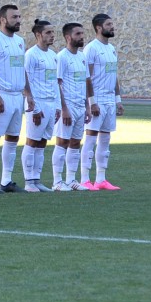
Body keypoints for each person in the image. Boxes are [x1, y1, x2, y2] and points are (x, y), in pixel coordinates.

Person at [0, 4, 30, 193]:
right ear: (3, 20)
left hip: (17, 97)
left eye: (19, 16)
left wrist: (28, 93)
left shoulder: (20, 41)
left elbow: (21, 69)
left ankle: (6, 180)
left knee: (12, 139)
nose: (18, 20)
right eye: (14, 17)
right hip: (1, 96)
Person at [82, 13, 123, 191]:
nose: (112, 27)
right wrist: (91, 102)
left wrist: (118, 99)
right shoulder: (91, 48)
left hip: (109, 100)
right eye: (109, 24)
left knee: (105, 140)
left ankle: (101, 179)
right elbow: (86, 77)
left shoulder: (112, 49)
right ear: (99, 28)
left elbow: (114, 76)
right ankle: (85, 179)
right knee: (91, 139)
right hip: (97, 97)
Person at [21, 20, 59, 192]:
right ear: (38, 35)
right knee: (32, 141)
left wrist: (57, 106)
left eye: (53, 32)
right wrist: (34, 106)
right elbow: (25, 79)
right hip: (38, 103)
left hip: (51, 103)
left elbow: (55, 82)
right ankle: (28, 181)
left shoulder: (53, 55)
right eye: (48, 33)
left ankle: (37, 179)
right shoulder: (31, 55)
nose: (52, 36)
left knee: (43, 142)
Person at [53, 22, 91, 191]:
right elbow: (57, 84)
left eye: (82, 33)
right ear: (68, 37)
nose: (81, 37)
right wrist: (64, 108)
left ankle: (71, 179)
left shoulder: (82, 57)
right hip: (67, 107)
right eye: (78, 34)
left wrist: (87, 107)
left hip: (80, 107)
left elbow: (84, 82)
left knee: (75, 143)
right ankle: (57, 181)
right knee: (62, 142)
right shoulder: (61, 57)